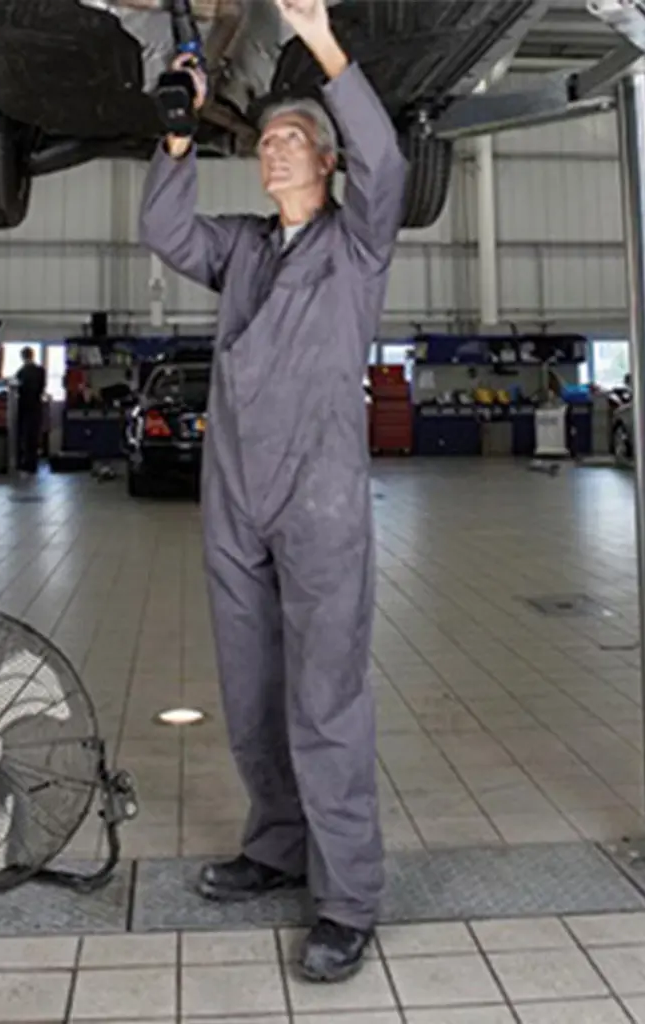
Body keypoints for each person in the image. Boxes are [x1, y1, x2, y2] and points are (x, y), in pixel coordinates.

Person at [138, 0, 407, 984]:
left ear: (327, 162)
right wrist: (178, 134)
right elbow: (165, 229)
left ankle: (347, 898)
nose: (275, 149)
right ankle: (278, 843)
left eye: (293, 138)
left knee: (325, 697)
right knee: (251, 690)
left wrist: (322, 46)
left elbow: (389, 163)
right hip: (237, 494)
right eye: (265, 142)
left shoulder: (357, 246)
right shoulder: (244, 248)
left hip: (320, 495)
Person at [15, 346, 45, 474]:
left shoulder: (21, 372)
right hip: (37, 406)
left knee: (24, 436)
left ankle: (25, 463)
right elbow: (42, 387)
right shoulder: (40, 370)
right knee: (34, 436)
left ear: (23, 357)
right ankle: (33, 464)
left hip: (24, 407)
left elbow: (18, 389)